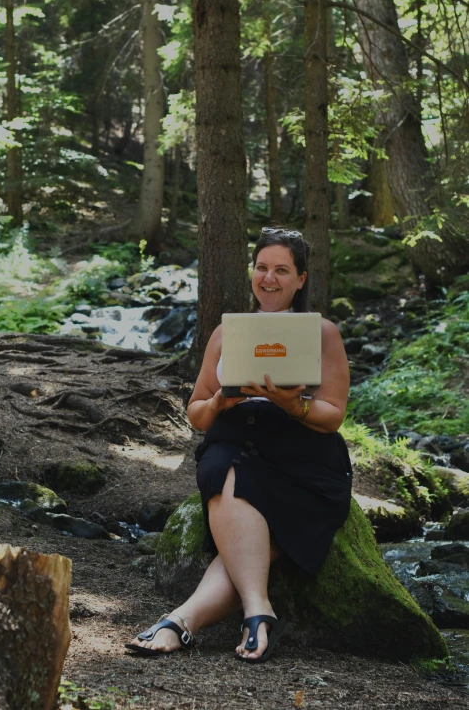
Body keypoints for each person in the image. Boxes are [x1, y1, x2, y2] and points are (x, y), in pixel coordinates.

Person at [126, 228, 351, 662]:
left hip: (302, 458)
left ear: (300, 279)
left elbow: (333, 415)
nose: (269, 278)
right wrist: (219, 401)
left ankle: (183, 619)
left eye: (282, 270)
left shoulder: (322, 332)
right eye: (262, 267)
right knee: (227, 470)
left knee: (242, 546)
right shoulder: (225, 333)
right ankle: (257, 611)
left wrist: (292, 405)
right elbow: (196, 413)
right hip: (234, 444)